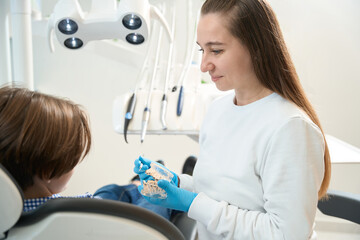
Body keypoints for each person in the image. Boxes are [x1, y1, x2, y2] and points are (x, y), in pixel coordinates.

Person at [134, 0, 331, 239]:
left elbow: (286, 234)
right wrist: (177, 184)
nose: (204, 65)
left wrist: (192, 202)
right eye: (201, 50)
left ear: (256, 47)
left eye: (216, 50)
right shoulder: (218, 110)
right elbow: (221, 195)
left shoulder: (290, 128)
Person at [0, 86, 171, 219]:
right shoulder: (77, 214)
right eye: (72, 159)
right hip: (123, 224)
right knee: (158, 195)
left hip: (95, 205)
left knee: (109, 191)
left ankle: (135, 185)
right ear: (48, 171)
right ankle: (148, 184)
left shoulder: (9, 216)